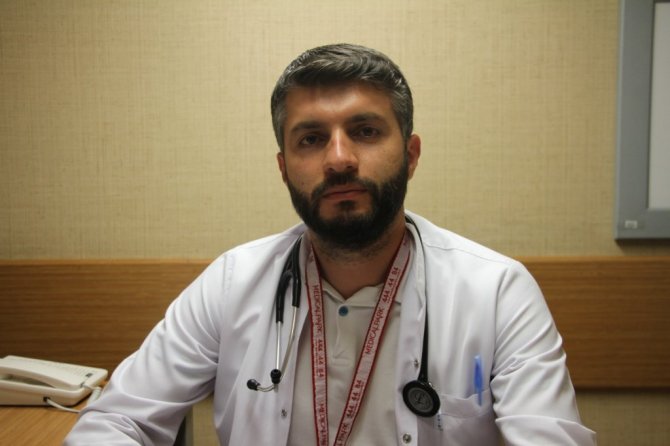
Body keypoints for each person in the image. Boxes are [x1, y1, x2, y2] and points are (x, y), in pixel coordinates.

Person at [65, 43, 596, 445]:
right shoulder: (231, 284)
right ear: (284, 168)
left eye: (365, 131)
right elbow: (117, 420)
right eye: (312, 138)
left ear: (410, 155)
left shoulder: (498, 291)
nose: (339, 158)